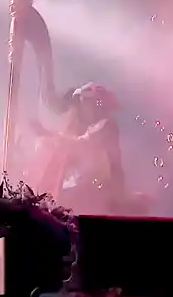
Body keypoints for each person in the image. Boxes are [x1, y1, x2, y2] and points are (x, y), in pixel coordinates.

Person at [30, 83, 126, 214]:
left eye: (83, 102)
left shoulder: (107, 126)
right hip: (85, 192)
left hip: (96, 195)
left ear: (95, 103)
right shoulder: (88, 126)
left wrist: (46, 133)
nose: (80, 108)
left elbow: (81, 145)